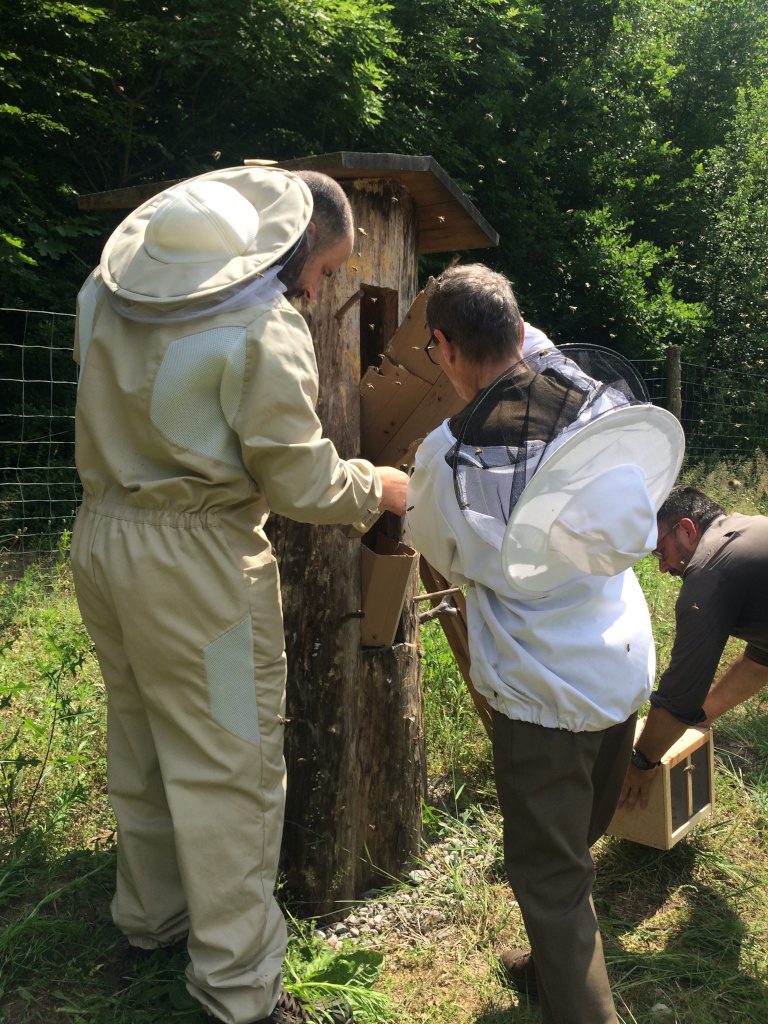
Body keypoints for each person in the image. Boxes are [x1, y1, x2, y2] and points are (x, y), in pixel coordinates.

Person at [69, 165, 408, 1024]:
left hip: (102, 542)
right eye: (324, 269)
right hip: (200, 575)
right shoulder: (262, 325)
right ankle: (239, 992)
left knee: (141, 738)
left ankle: (150, 921)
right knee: (232, 766)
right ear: (287, 245)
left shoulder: (102, 298)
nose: (315, 287)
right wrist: (382, 490)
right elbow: (300, 482)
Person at [407, 264, 683, 1024]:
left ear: (443, 347)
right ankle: (553, 963)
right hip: (621, 670)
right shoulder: (596, 405)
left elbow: (435, 538)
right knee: (573, 844)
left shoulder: (447, 457)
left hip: (544, 695)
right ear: (521, 328)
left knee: (550, 874)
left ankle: (580, 999)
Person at [619, 486, 768, 811]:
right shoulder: (744, 533)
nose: (662, 567)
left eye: (660, 552)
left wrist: (641, 763)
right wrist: (701, 719)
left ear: (686, 529)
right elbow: (761, 660)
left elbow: (680, 695)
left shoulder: (711, 570)